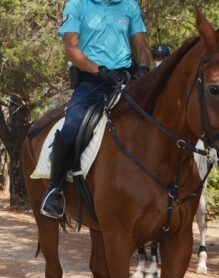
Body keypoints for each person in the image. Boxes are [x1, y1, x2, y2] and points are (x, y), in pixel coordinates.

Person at [41, 0, 151, 219]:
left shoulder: (129, 5)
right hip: (92, 81)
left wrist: (144, 69)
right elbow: (71, 49)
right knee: (72, 125)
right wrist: (99, 71)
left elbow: (140, 45)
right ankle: (54, 190)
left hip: (126, 78)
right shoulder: (77, 5)